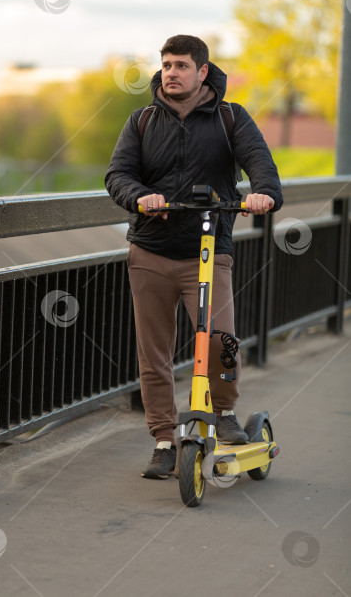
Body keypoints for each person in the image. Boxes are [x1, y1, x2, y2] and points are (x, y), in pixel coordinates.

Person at [105, 34, 283, 480]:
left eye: (181, 65)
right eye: (166, 65)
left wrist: (262, 194)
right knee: (154, 351)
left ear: (202, 72)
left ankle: (223, 413)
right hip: (151, 251)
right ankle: (165, 439)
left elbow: (261, 165)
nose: (171, 73)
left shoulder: (229, 118)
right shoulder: (143, 119)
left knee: (221, 341)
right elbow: (117, 175)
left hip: (209, 250)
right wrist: (141, 196)